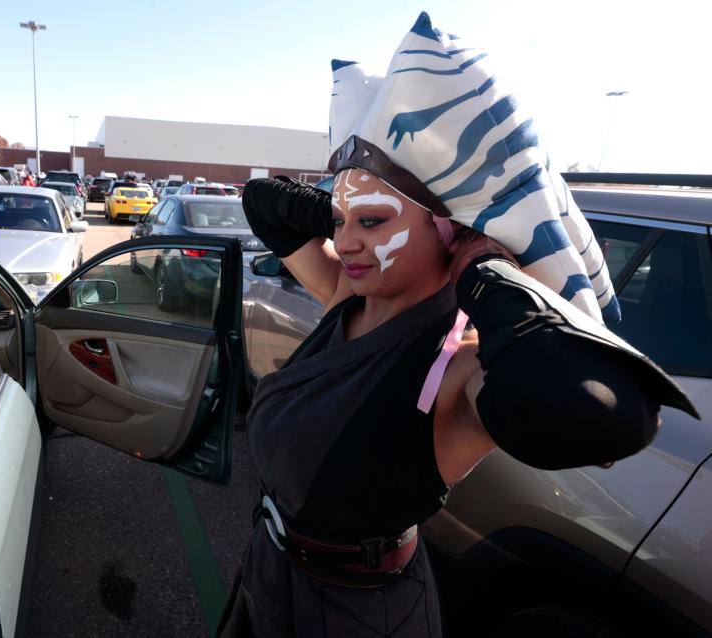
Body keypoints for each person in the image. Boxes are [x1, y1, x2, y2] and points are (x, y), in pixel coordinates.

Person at [219, 12, 698, 638]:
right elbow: (264, 206)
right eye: (341, 224)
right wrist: (346, 203)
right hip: (270, 575)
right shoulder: (344, 297)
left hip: (355, 615)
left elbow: (606, 412)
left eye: (371, 223)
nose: (346, 242)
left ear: (453, 232)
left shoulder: (458, 364)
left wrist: (483, 270)